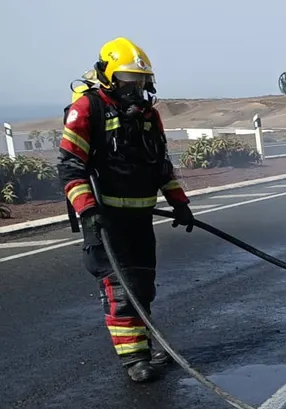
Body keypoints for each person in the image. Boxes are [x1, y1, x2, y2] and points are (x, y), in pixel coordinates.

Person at [58, 37, 195, 383]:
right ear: (108, 77)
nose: (135, 90)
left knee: (142, 287)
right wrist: (88, 209)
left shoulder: (149, 117)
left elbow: (161, 165)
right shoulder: (88, 109)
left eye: (140, 82)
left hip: (139, 219)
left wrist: (179, 203)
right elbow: (70, 166)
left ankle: (145, 345)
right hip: (104, 220)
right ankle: (134, 359)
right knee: (120, 290)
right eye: (128, 82)